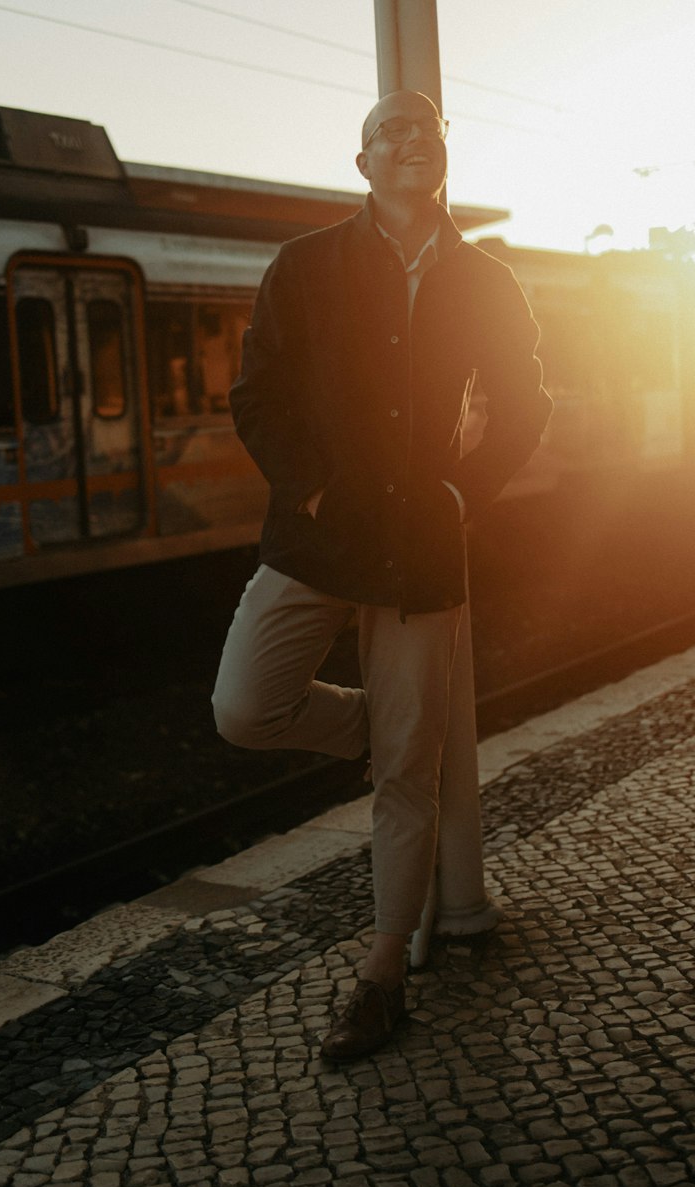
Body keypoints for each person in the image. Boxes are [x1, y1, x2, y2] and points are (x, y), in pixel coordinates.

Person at [212, 89, 551, 1060]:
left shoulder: (487, 279)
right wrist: (312, 491)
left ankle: (383, 970)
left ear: (443, 157)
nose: (411, 138)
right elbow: (256, 392)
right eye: (388, 130)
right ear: (361, 163)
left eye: (427, 128)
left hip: (421, 548)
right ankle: (392, 730)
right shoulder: (304, 264)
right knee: (245, 707)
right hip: (317, 536)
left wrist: (462, 495)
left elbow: (526, 400)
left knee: (404, 778)